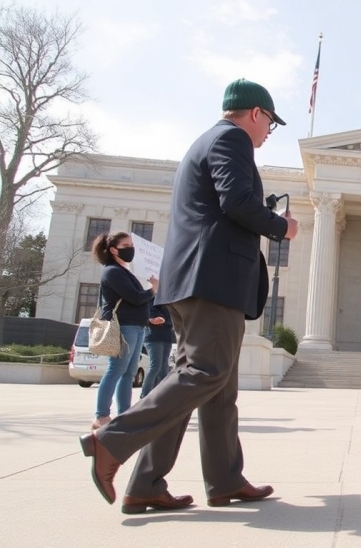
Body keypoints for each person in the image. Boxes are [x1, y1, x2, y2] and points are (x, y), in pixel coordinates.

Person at [79, 78, 299, 515]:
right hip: (212, 281)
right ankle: (110, 440)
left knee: (215, 387)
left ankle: (200, 481)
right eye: (270, 125)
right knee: (205, 374)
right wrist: (280, 226)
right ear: (257, 113)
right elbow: (235, 200)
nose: (267, 134)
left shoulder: (205, 143)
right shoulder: (231, 139)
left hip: (194, 281)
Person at [90, 232, 159, 430]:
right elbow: (135, 298)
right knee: (116, 369)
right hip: (123, 327)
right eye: (126, 245)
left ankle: (124, 414)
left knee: (128, 374)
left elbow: (135, 302)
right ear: (113, 249)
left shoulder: (124, 271)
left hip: (136, 327)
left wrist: (148, 318)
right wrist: (152, 290)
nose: (131, 249)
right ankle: (101, 416)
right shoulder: (112, 272)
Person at [139, 301, 173, 398]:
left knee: (164, 368)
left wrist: (163, 318)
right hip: (153, 337)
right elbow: (150, 314)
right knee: (155, 366)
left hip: (166, 337)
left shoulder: (170, 299)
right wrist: (159, 318)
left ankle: (160, 396)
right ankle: (145, 396)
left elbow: (172, 316)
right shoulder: (151, 297)